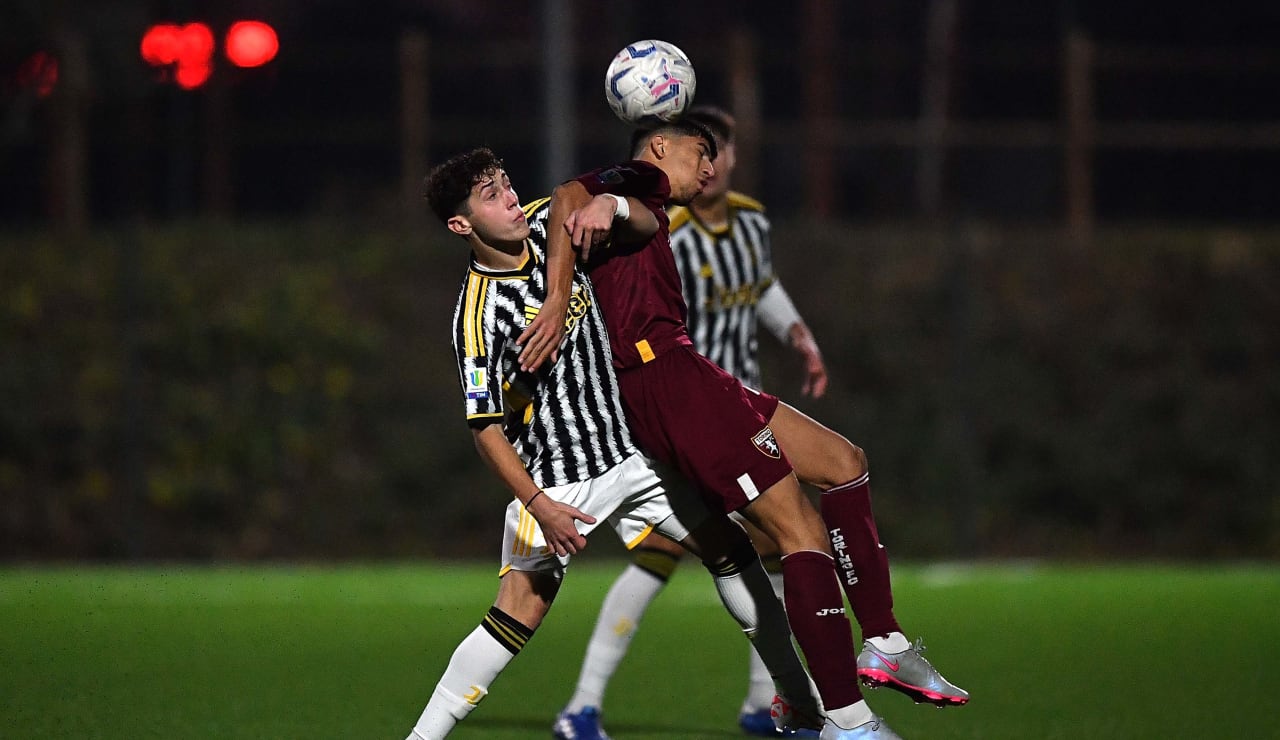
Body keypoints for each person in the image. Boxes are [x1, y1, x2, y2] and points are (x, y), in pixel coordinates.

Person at [521, 118, 967, 740]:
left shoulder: (647, 200)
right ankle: (846, 718)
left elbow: (590, 200)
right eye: (700, 152)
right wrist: (569, 271)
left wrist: (606, 207)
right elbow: (583, 198)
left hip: (696, 376)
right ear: (658, 147)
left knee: (844, 462)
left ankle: (884, 641)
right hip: (669, 382)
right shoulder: (643, 182)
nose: (710, 167)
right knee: (799, 532)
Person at [401, 148, 821, 740]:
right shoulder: (477, 314)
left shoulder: (554, 223)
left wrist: (611, 203)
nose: (510, 199)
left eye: (506, 184)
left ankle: (802, 705)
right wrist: (538, 505)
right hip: (559, 479)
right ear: (461, 225)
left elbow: (644, 218)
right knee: (519, 611)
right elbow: (485, 428)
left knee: (734, 549)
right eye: (491, 197)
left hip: (634, 452)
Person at [553, 105, 840, 738]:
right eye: (706, 150)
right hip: (680, 405)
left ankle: (773, 704)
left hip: (737, 400)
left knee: (762, 547)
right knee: (684, 550)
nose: (715, 163)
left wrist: (797, 331)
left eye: (723, 152)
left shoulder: (751, 221)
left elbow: (760, 285)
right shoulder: (662, 222)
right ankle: (584, 703)